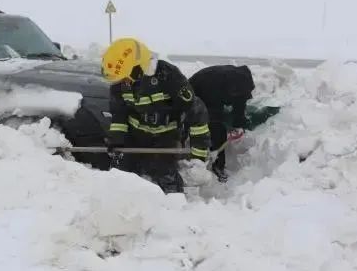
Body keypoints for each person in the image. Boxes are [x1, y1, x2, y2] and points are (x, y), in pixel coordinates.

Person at [101, 38, 211, 193]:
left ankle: (174, 209)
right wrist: (117, 141)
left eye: (125, 77)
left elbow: (196, 112)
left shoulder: (168, 75)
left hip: (166, 137)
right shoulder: (120, 85)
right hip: (135, 136)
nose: (122, 82)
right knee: (120, 176)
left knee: (165, 177)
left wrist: (198, 158)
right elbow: (119, 114)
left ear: (138, 68)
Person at [189, 65, 255, 182]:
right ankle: (214, 165)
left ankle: (217, 163)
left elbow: (240, 102)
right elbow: (215, 118)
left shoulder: (242, 82)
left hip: (216, 89)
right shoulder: (214, 86)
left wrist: (238, 124)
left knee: (217, 124)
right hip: (196, 92)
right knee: (215, 127)